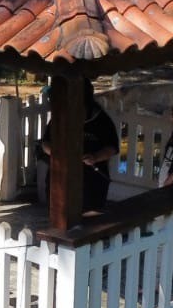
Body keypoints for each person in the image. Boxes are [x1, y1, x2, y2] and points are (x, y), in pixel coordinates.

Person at [40, 79, 120, 216]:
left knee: (89, 221)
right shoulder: (60, 117)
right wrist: (58, 154)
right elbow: (46, 143)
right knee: (59, 217)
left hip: (92, 181)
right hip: (61, 178)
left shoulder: (101, 120)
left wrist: (95, 157)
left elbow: (112, 147)